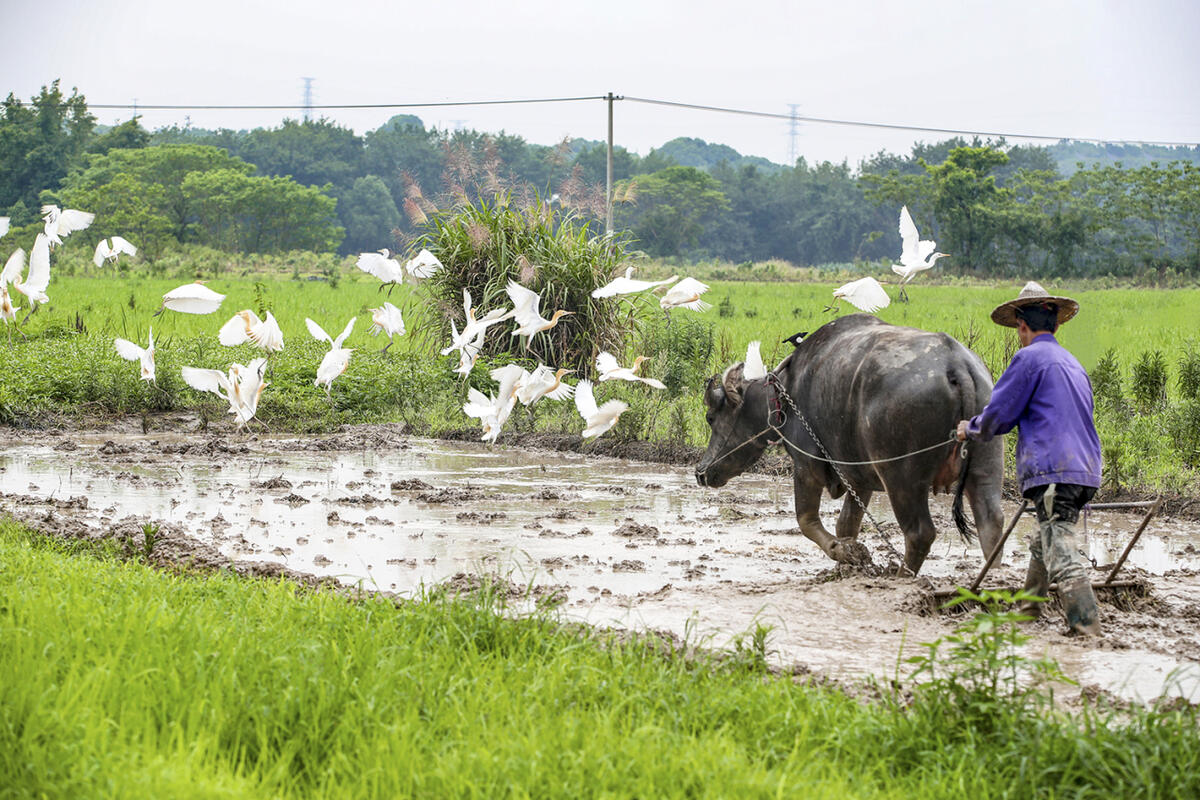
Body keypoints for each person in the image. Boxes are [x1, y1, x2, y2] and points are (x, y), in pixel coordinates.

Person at [955, 281, 1102, 636]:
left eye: (1018, 328)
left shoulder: (1029, 359)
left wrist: (968, 429)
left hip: (1054, 470)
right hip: (1085, 470)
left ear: (1022, 325)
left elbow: (998, 416)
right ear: (1056, 325)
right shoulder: (1072, 362)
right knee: (1044, 539)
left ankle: (1088, 630)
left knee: (1061, 550)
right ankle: (1026, 614)